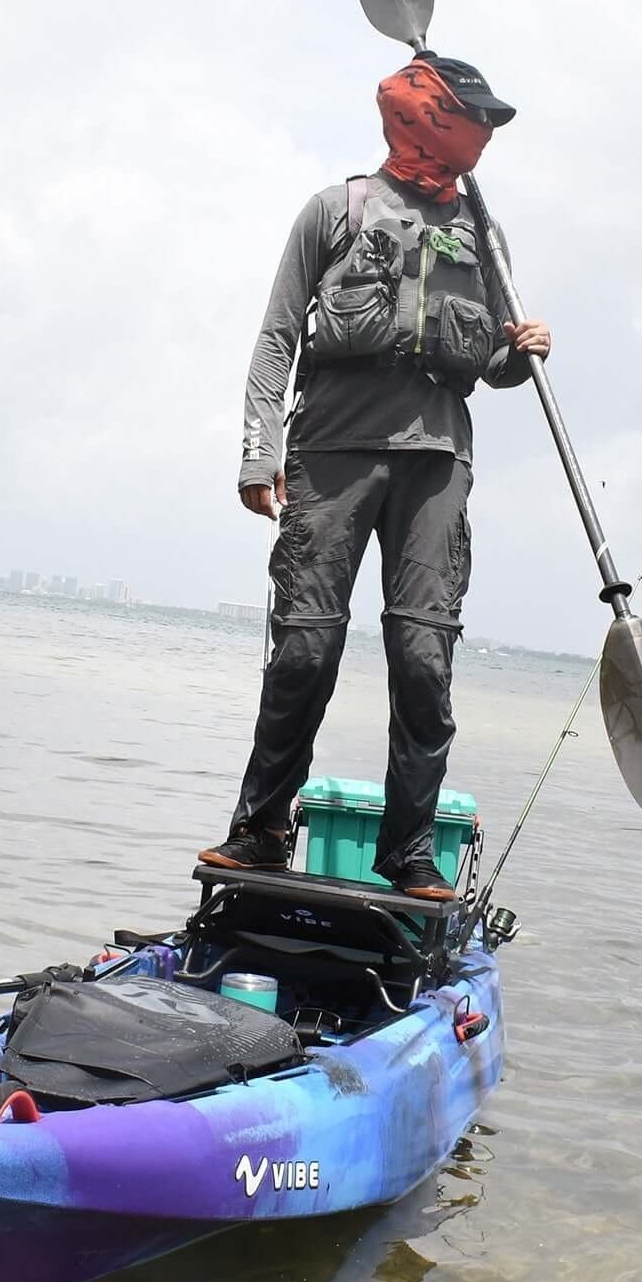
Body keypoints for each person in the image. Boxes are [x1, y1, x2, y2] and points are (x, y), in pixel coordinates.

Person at [199, 53, 552, 900]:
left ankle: (410, 853)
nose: (484, 136)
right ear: (427, 117)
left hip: (437, 461)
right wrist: (258, 451)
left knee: (424, 660)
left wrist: (522, 352)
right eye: (475, 119)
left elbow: (494, 363)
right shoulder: (337, 210)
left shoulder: (483, 231)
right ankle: (259, 830)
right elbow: (277, 338)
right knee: (305, 649)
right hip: (329, 453)